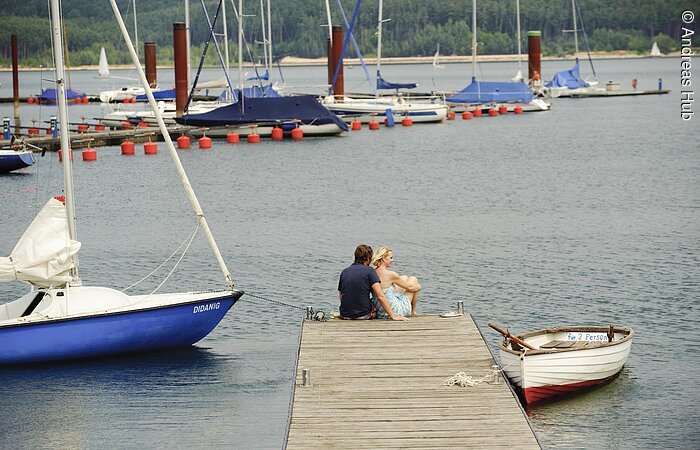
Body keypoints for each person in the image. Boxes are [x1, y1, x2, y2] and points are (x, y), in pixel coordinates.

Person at [338, 244, 408, 321]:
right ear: (368, 258)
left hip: (345, 314)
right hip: (363, 314)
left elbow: (341, 295)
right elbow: (380, 296)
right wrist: (393, 316)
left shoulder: (344, 272)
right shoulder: (369, 271)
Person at [371, 246, 421, 318]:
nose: (392, 260)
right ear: (384, 258)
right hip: (394, 311)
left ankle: (411, 310)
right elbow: (410, 287)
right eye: (391, 258)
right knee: (413, 280)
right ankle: (412, 312)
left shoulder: (372, 273)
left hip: (380, 311)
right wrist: (419, 287)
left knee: (404, 277)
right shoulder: (390, 274)